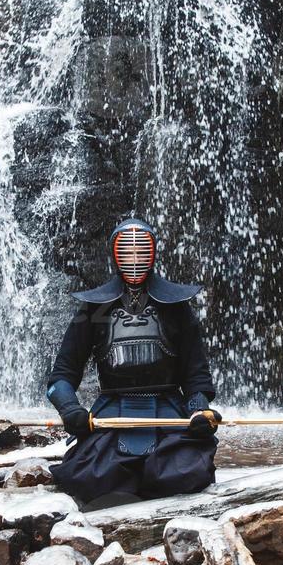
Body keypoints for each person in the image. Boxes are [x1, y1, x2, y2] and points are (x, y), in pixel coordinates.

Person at [45, 217, 221, 508]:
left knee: (188, 470)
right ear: (115, 254)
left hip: (168, 411)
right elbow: (61, 376)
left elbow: (196, 376)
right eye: (128, 252)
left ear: (153, 253)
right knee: (90, 476)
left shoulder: (176, 307)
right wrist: (71, 410)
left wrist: (198, 411)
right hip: (111, 412)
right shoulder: (94, 308)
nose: (135, 260)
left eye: (142, 252)